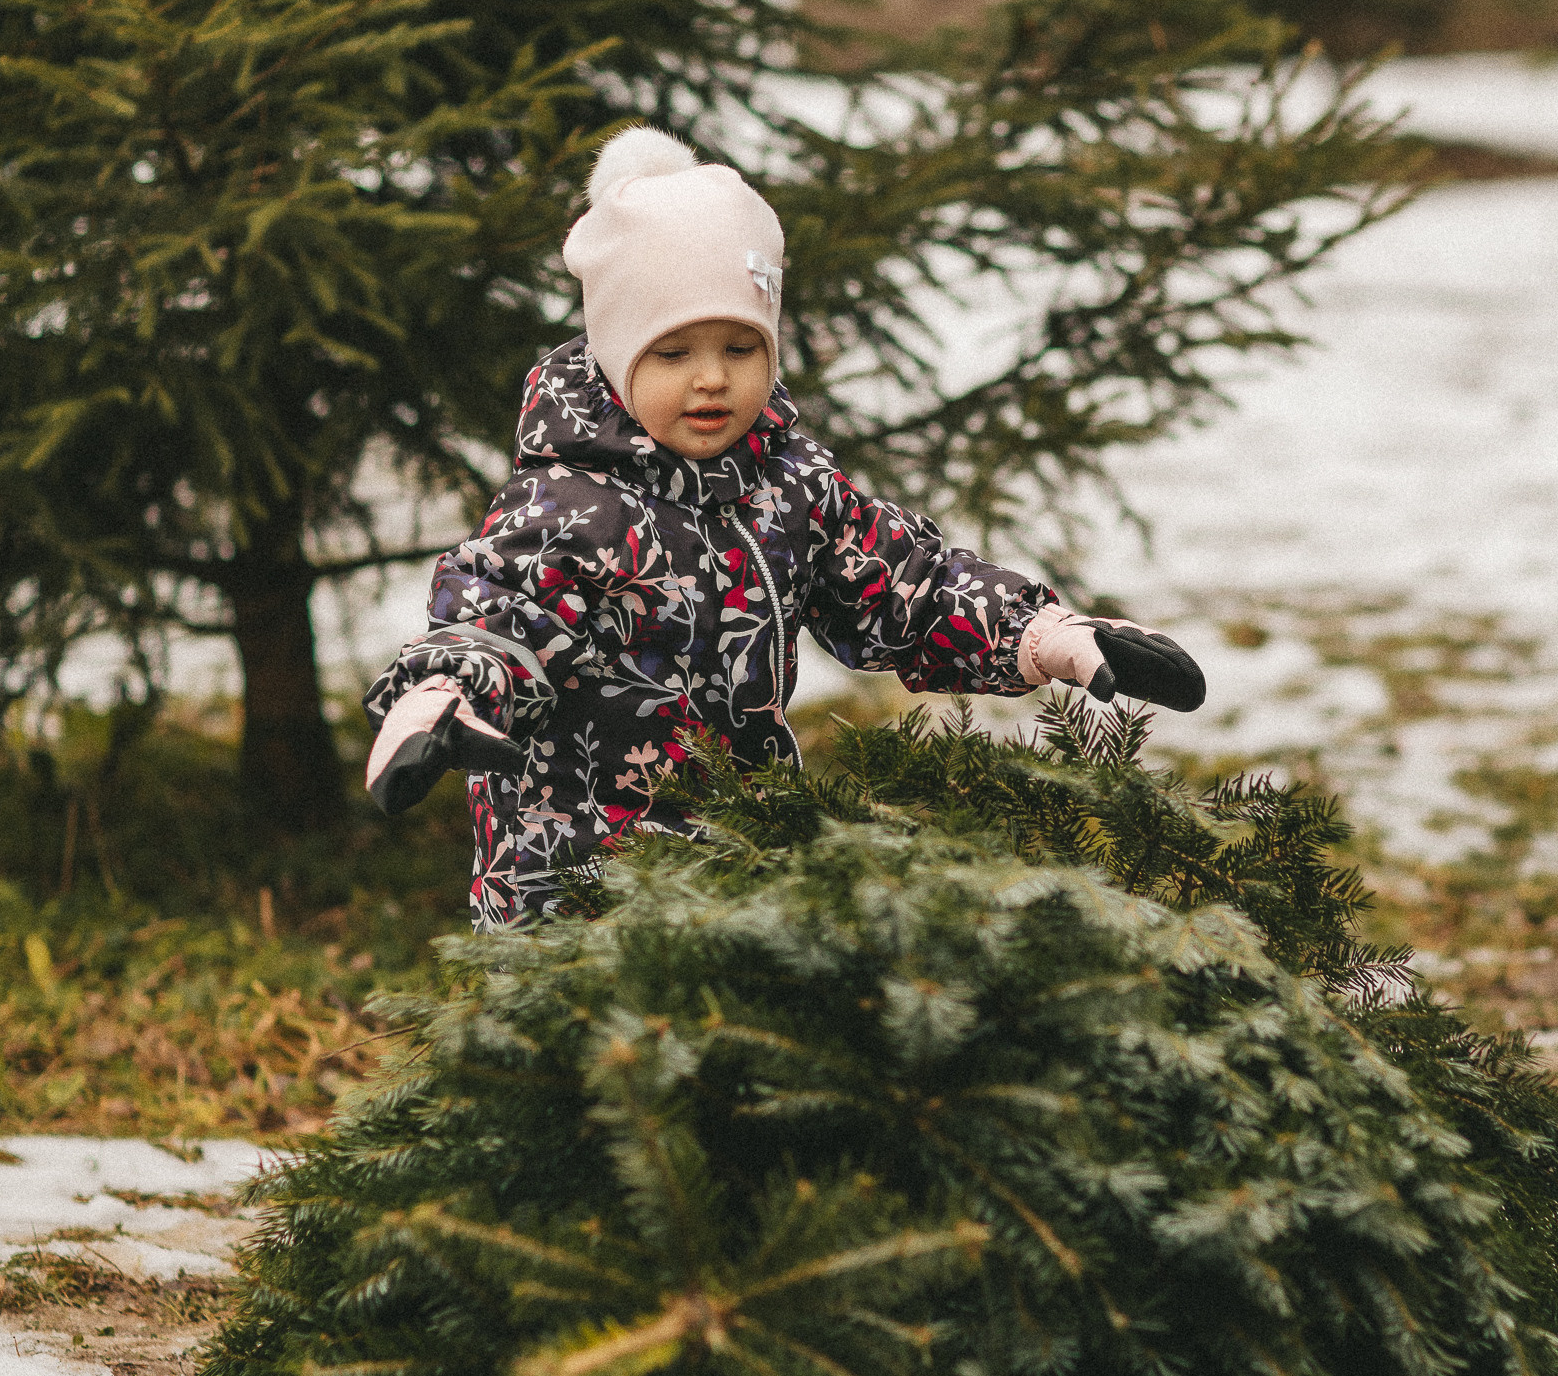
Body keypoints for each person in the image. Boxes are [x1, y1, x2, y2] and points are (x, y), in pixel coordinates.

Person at [362, 128, 1205, 926]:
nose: (711, 380)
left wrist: (1050, 636)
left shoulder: (788, 483)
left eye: (740, 347)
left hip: (740, 856)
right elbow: (498, 614)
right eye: (672, 352)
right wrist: (443, 692)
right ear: (618, 357)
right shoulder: (570, 504)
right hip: (577, 881)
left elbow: (904, 589)